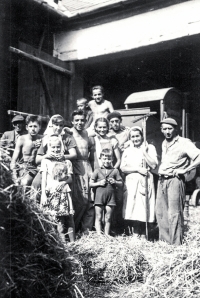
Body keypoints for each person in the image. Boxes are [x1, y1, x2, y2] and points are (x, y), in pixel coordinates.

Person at [156, 118, 200, 245]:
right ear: (161, 130)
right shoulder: (164, 143)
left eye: (170, 129)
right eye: (164, 129)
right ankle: (165, 243)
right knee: (161, 212)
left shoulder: (184, 142)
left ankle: (176, 245)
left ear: (176, 129)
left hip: (175, 180)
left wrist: (185, 169)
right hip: (162, 180)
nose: (167, 131)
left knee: (174, 213)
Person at [120, 126, 158, 238]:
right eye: (133, 136)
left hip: (145, 181)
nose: (135, 138)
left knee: (144, 206)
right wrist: (137, 169)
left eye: (137, 136)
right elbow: (123, 168)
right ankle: (135, 232)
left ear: (142, 136)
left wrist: (144, 152)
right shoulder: (127, 150)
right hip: (131, 182)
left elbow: (154, 165)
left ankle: (143, 233)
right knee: (133, 207)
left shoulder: (149, 147)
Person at [32, 114, 77, 198]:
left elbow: (74, 155)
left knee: (66, 186)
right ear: (51, 125)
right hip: (48, 166)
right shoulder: (46, 139)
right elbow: (37, 160)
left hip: (62, 167)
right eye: (56, 125)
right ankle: (37, 205)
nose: (58, 128)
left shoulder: (68, 137)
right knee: (36, 183)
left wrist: (63, 156)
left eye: (61, 125)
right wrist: (47, 155)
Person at [40, 135, 75, 242]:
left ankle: (73, 241)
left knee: (69, 218)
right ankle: (59, 241)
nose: (56, 149)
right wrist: (43, 194)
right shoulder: (46, 161)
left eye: (58, 147)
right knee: (55, 219)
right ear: (49, 148)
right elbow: (44, 179)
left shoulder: (67, 162)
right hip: (51, 193)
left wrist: (64, 182)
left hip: (64, 192)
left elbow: (70, 178)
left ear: (62, 147)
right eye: (53, 147)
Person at [70, 109, 94, 233]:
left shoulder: (87, 133)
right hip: (77, 167)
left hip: (88, 166)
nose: (80, 122)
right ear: (72, 122)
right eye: (77, 120)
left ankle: (86, 231)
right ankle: (74, 228)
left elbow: (91, 151)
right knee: (80, 200)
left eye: (82, 120)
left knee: (90, 200)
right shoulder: (69, 133)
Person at [90, 149, 123, 235]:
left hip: (110, 197)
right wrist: (99, 183)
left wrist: (115, 182)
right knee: (99, 216)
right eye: (104, 159)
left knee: (108, 217)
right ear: (100, 159)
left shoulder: (115, 171)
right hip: (99, 196)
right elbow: (90, 184)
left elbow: (121, 184)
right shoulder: (97, 170)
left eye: (109, 159)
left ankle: (106, 234)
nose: (106, 161)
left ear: (112, 159)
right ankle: (99, 235)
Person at [10, 115, 43, 186]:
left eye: (35, 126)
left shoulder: (42, 139)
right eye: (30, 126)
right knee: (21, 183)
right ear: (26, 127)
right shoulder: (22, 139)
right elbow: (14, 159)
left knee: (27, 182)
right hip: (23, 167)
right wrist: (14, 173)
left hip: (36, 168)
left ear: (39, 127)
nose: (33, 129)